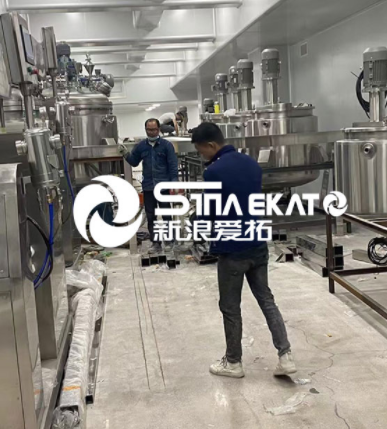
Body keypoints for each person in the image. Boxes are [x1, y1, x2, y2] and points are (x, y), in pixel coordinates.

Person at [191, 122, 295, 379]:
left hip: (232, 249)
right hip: (257, 243)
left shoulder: (213, 172)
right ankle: (285, 356)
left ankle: (233, 362)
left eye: (201, 150)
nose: (201, 155)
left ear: (211, 145)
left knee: (230, 307)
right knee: (267, 300)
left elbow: (208, 212)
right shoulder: (252, 164)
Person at [120, 118, 179, 254]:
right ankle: (156, 243)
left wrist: (174, 183)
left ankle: (170, 241)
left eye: (154, 129)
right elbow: (134, 162)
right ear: (145, 129)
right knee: (151, 216)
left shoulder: (166, 146)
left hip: (163, 187)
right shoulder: (141, 146)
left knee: (166, 215)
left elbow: (173, 165)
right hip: (148, 187)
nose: (151, 132)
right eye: (149, 130)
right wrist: (125, 154)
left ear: (159, 130)